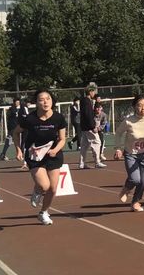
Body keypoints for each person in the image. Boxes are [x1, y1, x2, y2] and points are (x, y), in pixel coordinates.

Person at [12, 89, 67, 225]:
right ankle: (37, 190)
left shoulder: (58, 118)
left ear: (52, 101)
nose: (45, 102)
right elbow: (16, 133)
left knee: (53, 188)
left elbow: (62, 139)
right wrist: (18, 149)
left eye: (48, 99)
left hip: (53, 154)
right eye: (41, 99)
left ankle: (43, 212)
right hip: (35, 155)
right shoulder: (30, 119)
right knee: (44, 185)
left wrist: (55, 150)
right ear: (36, 103)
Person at [114, 94, 144, 212]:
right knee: (135, 179)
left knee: (143, 182)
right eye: (140, 106)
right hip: (131, 154)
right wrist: (118, 148)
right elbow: (118, 133)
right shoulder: (128, 121)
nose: (143, 108)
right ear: (134, 107)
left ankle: (135, 201)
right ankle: (126, 188)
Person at [79, 83, 106, 169]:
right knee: (97, 142)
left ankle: (82, 163)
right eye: (93, 91)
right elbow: (88, 115)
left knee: (84, 146)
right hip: (88, 127)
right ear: (90, 92)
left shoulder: (84, 101)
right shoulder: (87, 101)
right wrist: (93, 126)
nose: (94, 93)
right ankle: (97, 162)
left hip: (84, 127)